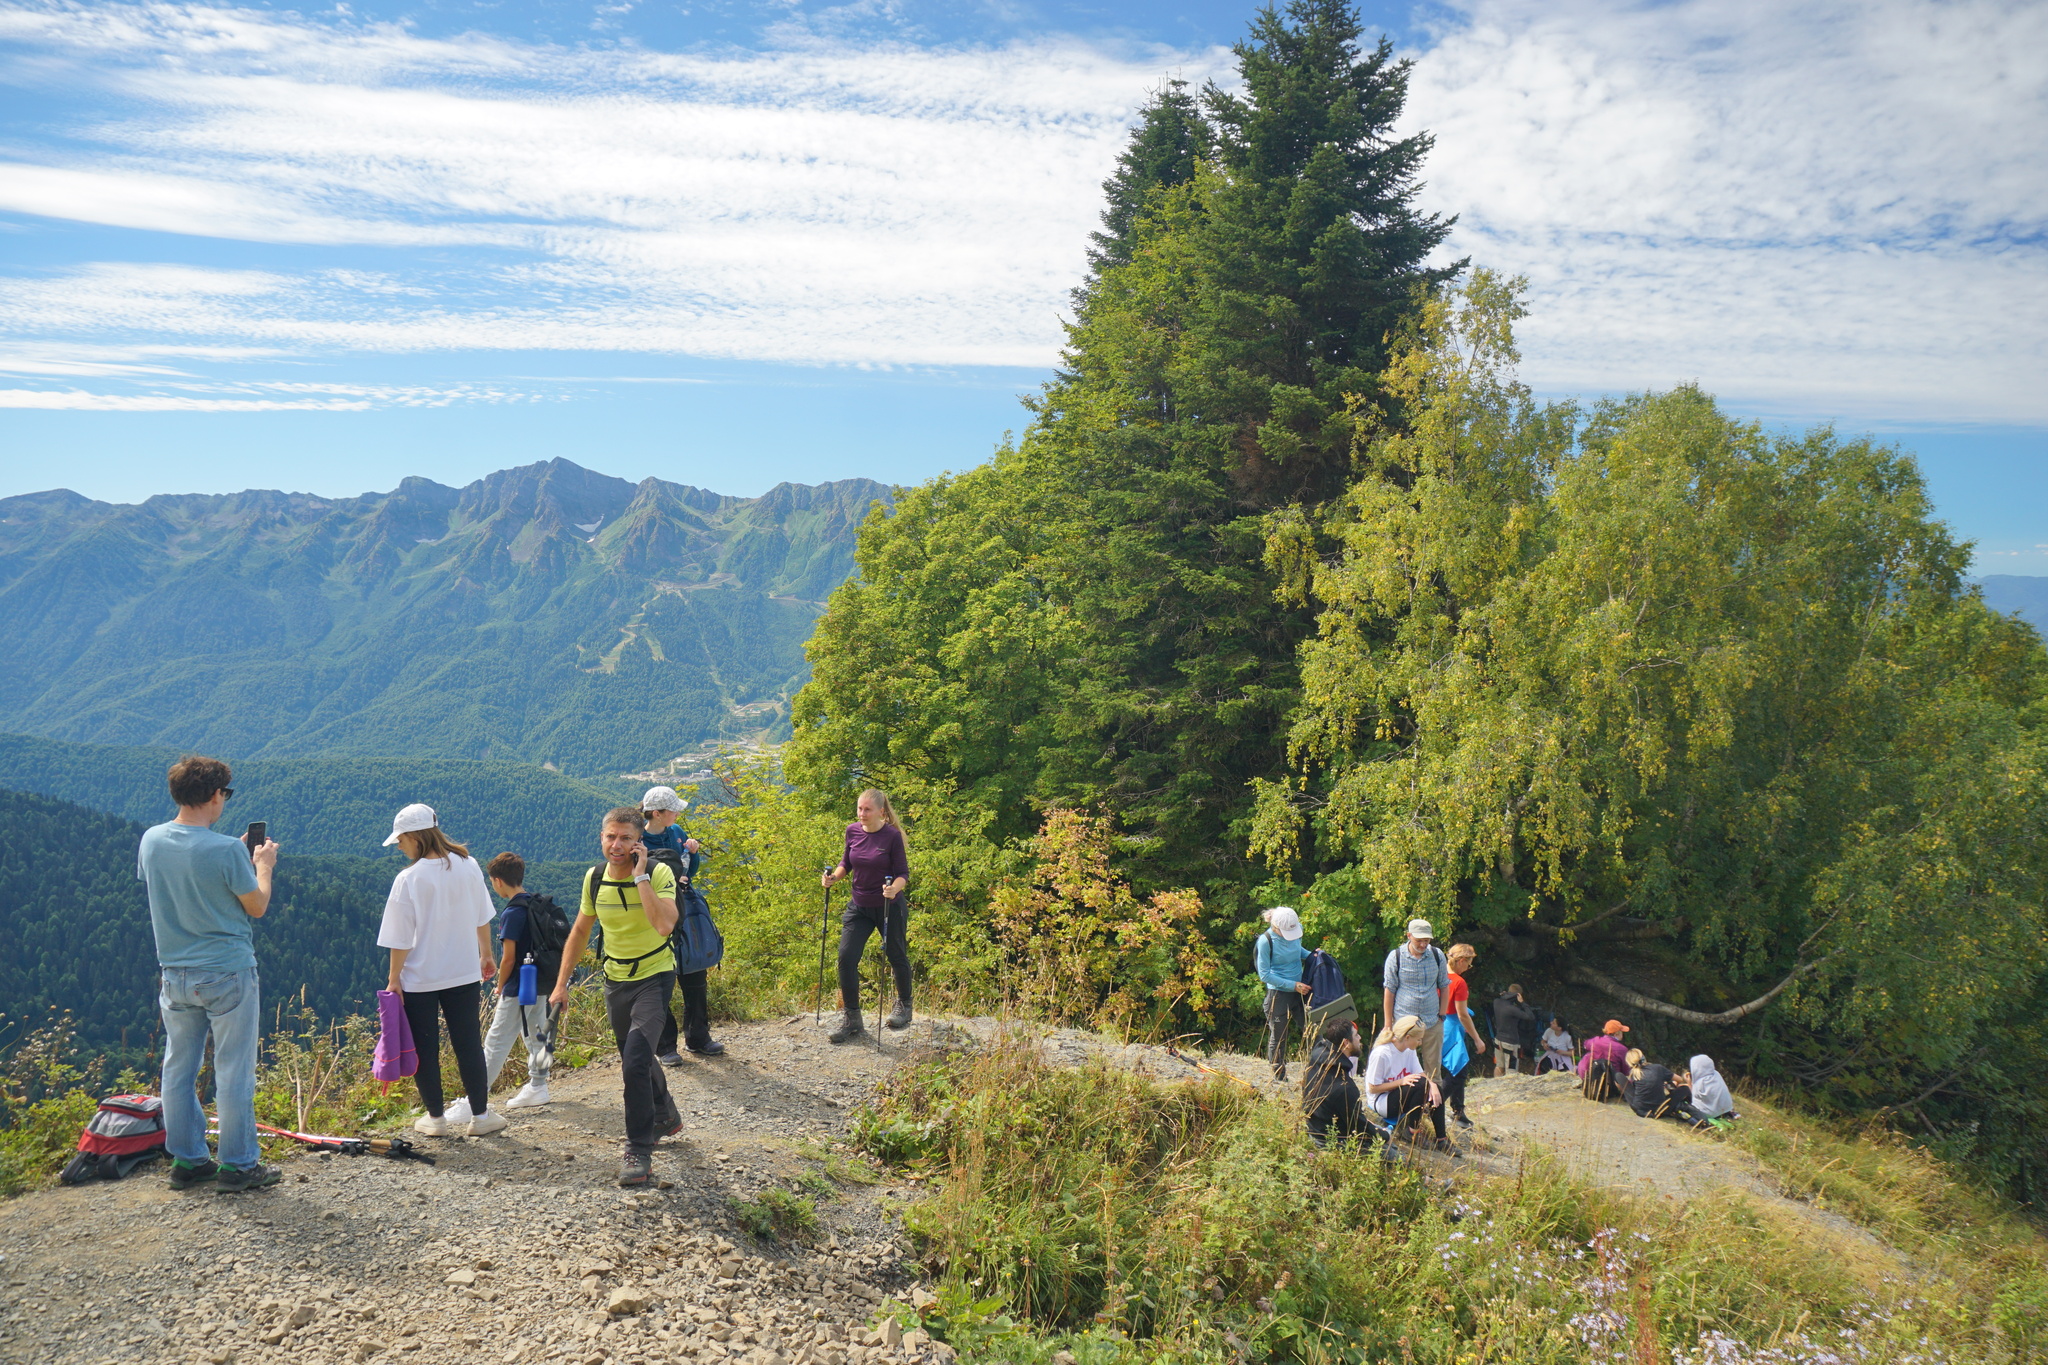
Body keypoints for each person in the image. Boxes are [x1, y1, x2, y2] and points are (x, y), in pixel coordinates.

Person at [138, 755, 282, 1193]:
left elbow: (183, 876)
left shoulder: (152, 840)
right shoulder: (224, 850)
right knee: (234, 1069)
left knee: (178, 1067)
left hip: (174, 974)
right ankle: (238, 1166)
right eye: (226, 793)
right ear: (216, 795)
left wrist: (234, 855)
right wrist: (262, 866)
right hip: (226, 973)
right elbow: (256, 905)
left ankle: (187, 1160)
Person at [550, 807, 684, 1187]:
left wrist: (641, 876)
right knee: (635, 1058)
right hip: (615, 980)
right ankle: (666, 1115)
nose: (616, 844)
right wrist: (562, 984)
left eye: (626, 838)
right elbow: (578, 932)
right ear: (601, 837)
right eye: (611, 836)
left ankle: (639, 1149)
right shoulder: (594, 879)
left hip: (654, 977)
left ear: (639, 841)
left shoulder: (658, 874)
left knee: (634, 1061)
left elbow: (662, 925)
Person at [376, 804, 505, 1139]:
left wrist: (394, 980)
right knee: (468, 1045)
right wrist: (487, 955)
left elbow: (400, 938)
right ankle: (481, 1115)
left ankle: (436, 1119)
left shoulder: (408, 879)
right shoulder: (469, 865)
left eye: (401, 840)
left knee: (425, 1048)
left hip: (420, 978)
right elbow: (482, 915)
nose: (400, 847)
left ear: (415, 837)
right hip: (463, 972)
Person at [443, 852, 557, 1120]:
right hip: (540, 981)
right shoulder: (537, 904)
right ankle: (539, 1085)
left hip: (518, 984)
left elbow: (508, 958)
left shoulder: (513, 913)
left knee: (496, 1041)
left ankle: (475, 1099)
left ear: (496, 881)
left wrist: (500, 985)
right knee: (539, 1034)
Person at [820, 789, 912, 1045]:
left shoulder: (891, 836)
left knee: (896, 955)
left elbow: (903, 873)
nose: (862, 814)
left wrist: (895, 888)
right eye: (860, 809)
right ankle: (852, 1018)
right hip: (859, 906)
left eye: (867, 809)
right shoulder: (852, 831)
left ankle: (904, 1006)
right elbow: (846, 862)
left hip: (888, 907)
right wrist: (833, 877)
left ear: (881, 811)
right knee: (846, 958)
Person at [641, 786, 724, 1064]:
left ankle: (698, 1037)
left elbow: (690, 870)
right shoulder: (639, 841)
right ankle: (665, 1046)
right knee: (661, 978)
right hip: (654, 915)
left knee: (695, 971)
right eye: (673, 809)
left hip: (685, 908)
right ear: (657, 813)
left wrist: (694, 853)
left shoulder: (677, 833)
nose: (678, 813)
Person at [1364, 1015, 1455, 1155]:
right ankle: (1412, 1132)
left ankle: (1441, 1139)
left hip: (1400, 1094)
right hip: (1382, 1101)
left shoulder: (1409, 1050)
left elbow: (1420, 1073)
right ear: (1407, 1037)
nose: (1420, 1043)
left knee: (1434, 1089)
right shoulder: (1382, 1054)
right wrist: (1401, 1082)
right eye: (1418, 1039)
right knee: (1421, 1085)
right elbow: (1372, 1088)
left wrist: (1434, 1086)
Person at [1382, 920, 1451, 1087]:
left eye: (1426, 940)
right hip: (1404, 1022)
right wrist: (1388, 1024)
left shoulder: (1437, 955)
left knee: (1433, 1067)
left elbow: (1444, 985)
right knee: (1403, 1066)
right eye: (1419, 940)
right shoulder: (1396, 957)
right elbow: (1389, 991)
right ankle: (1407, 1103)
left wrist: (1442, 1014)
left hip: (1432, 1020)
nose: (1422, 944)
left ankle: (1434, 1106)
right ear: (1409, 936)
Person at [1302, 1018, 1378, 1149]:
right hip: (1331, 1142)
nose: (1359, 1038)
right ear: (1346, 1043)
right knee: (1392, 1155)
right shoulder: (1343, 1085)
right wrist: (1383, 1135)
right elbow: (1358, 1126)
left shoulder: (1317, 1060)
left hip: (1313, 1129)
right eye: (1356, 1035)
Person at [1255, 907, 1312, 1081]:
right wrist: (1292, 985)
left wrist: (1313, 956)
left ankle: (1318, 1071)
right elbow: (1264, 974)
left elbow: (1297, 951)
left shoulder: (1295, 928)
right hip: (1278, 994)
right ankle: (1279, 1077)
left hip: (1299, 991)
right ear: (1276, 927)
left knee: (1311, 1030)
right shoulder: (1265, 942)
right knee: (1279, 1037)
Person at [1441, 943, 1487, 1127]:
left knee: (1454, 1069)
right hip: (1452, 1030)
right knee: (1457, 1073)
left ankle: (1458, 1111)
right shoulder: (1459, 982)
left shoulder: (1438, 976)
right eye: (1469, 963)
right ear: (1460, 961)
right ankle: (1429, 1107)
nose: (1469, 968)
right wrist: (1477, 1039)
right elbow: (1462, 1014)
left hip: (1437, 1026)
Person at [1625, 1049, 1704, 1124]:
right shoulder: (1658, 1068)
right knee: (1685, 1089)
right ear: (1643, 1057)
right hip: (1661, 1110)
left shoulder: (1633, 1074)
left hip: (1641, 1110)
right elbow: (1679, 1079)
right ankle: (1693, 1107)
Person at [1491, 984, 1539, 1076]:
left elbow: (1499, 997)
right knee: (1511, 1070)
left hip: (1498, 1040)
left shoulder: (1496, 1002)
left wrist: (1504, 995)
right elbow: (1530, 1017)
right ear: (1518, 995)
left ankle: (1495, 1086)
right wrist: (1522, 1003)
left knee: (1499, 1066)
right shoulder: (1512, 1009)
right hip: (1510, 1043)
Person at [1687, 1054, 1737, 1120]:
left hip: (1711, 1113)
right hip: (1726, 1109)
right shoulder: (1716, 1074)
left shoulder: (1700, 1082)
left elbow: (1693, 1095)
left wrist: (1689, 1083)